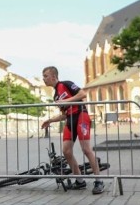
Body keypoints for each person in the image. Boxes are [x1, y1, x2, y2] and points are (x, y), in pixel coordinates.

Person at [40, 66, 104, 195]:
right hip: (69, 119)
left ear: (54, 76)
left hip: (81, 116)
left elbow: (83, 94)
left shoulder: (66, 84)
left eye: (46, 76)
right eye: (43, 76)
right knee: (66, 151)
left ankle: (99, 181)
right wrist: (50, 120)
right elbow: (64, 114)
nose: (43, 79)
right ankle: (80, 181)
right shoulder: (55, 95)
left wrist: (66, 100)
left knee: (86, 149)